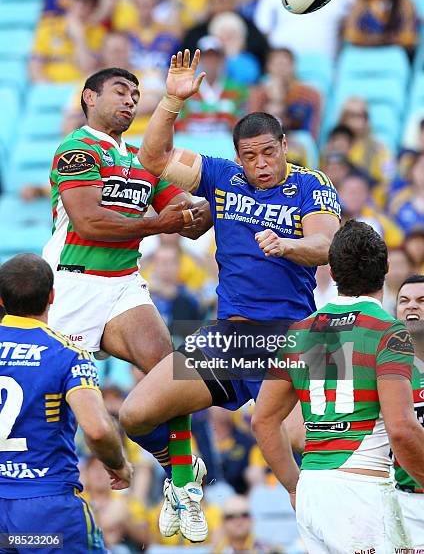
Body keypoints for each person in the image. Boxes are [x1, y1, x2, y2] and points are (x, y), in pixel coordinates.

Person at [119, 49, 340, 539]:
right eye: (250, 156)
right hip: (231, 339)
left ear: (286, 145)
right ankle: (186, 473)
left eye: (269, 152)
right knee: (135, 414)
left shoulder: (311, 185)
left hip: (295, 338)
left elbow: (327, 246)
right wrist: (172, 100)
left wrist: (289, 245)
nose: (260, 164)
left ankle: (319, 519)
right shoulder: (221, 177)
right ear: (238, 156)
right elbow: (151, 159)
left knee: (310, 444)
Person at [42, 66, 212, 542]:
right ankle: (57, 492)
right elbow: (90, 221)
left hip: (121, 284)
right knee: (58, 405)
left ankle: (182, 481)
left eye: (136, 94)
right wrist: (162, 225)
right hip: (71, 287)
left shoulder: (141, 160)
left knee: (168, 371)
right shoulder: (77, 149)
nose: (130, 100)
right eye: (120, 91)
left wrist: (197, 211)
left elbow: (190, 218)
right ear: (88, 97)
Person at [252, 220, 424, 552]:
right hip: (363, 490)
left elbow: (263, 420)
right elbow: (402, 430)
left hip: (314, 492)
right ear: (386, 268)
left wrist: (293, 487)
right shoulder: (389, 331)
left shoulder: (300, 332)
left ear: (331, 272)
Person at [0, 253, 133, 553]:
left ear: (1, 299)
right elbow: (97, 430)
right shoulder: (67, 353)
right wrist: (119, 465)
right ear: (52, 296)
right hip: (45, 511)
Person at [395, 274, 424, 548]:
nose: (411, 306)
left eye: (421, 300)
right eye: (404, 300)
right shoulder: (385, 368)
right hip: (403, 501)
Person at [30, 0, 106, 83]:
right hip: (51, 87)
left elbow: (88, 68)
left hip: (80, 90)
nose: (83, 6)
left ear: (94, 9)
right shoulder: (48, 27)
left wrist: (79, 36)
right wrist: (48, 90)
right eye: (79, 0)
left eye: (89, 4)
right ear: (72, 1)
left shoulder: (97, 32)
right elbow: (35, 66)